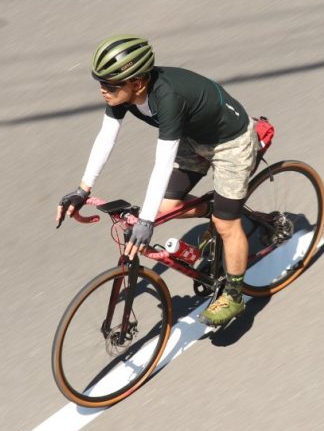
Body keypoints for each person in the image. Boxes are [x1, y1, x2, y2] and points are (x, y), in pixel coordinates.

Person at [55, 35, 259, 325]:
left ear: (137, 83)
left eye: (110, 85)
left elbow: (162, 164)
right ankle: (215, 209)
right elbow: (105, 139)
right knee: (167, 206)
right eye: (100, 82)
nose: (103, 90)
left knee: (227, 224)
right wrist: (82, 189)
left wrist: (146, 221)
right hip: (193, 137)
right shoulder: (123, 93)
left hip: (230, 142)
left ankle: (235, 295)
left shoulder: (168, 99)